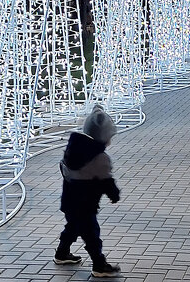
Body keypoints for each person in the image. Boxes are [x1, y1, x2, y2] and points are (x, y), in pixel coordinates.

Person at [55, 105, 121, 277]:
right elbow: (106, 180)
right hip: (85, 205)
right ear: (103, 137)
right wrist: (114, 194)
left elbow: (65, 170)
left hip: (69, 202)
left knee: (73, 227)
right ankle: (99, 265)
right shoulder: (100, 158)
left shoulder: (74, 150)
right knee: (91, 234)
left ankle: (61, 254)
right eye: (109, 137)